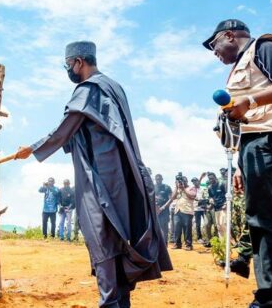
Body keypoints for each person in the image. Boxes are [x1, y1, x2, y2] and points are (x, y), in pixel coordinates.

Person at [16, 41, 172, 308]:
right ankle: (120, 302)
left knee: (102, 239)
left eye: (68, 65)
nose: (68, 70)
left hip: (99, 178)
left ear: (78, 62)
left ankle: (109, 302)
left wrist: (31, 149)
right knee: (117, 238)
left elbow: (64, 131)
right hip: (122, 176)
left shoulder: (88, 90)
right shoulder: (114, 87)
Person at [204, 19, 272, 307]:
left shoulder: (263, 46)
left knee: (263, 220)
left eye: (214, 44)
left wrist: (248, 101)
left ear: (229, 35)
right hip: (261, 141)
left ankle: (270, 298)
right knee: (270, 218)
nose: (214, 52)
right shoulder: (243, 64)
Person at [167, 175, 197, 250]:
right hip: (177, 210)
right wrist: (177, 187)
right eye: (180, 181)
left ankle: (188, 245)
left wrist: (184, 189)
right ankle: (177, 244)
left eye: (184, 181)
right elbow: (172, 198)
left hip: (187, 211)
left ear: (187, 181)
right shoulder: (178, 189)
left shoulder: (191, 188)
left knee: (187, 228)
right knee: (177, 228)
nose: (181, 182)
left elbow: (192, 196)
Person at [206, 172, 227, 238]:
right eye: (209, 179)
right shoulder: (209, 188)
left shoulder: (221, 184)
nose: (211, 180)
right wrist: (210, 199)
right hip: (216, 208)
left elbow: (228, 194)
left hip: (223, 207)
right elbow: (210, 196)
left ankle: (229, 242)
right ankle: (222, 242)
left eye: (212, 178)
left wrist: (226, 204)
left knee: (223, 224)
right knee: (218, 226)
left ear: (215, 177)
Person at [155, 174, 173, 243]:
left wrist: (163, 207)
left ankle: (164, 244)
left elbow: (171, 199)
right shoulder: (153, 187)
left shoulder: (167, 187)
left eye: (159, 179)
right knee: (155, 227)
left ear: (162, 179)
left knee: (164, 228)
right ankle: (157, 243)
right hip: (155, 210)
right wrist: (156, 207)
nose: (158, 180)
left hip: (164, 210)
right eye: (157, 179)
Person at [193, 176, 208, 244]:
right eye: (193, 181)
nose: (194, 182)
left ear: (198, 181)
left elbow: (205, 197)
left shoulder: (202, 189)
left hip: (203, 209)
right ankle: (199, 238)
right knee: (198, 225)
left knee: (207, 223)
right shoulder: (192, 189)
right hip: (196, 209)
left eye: (195, 181)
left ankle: (208, 237)